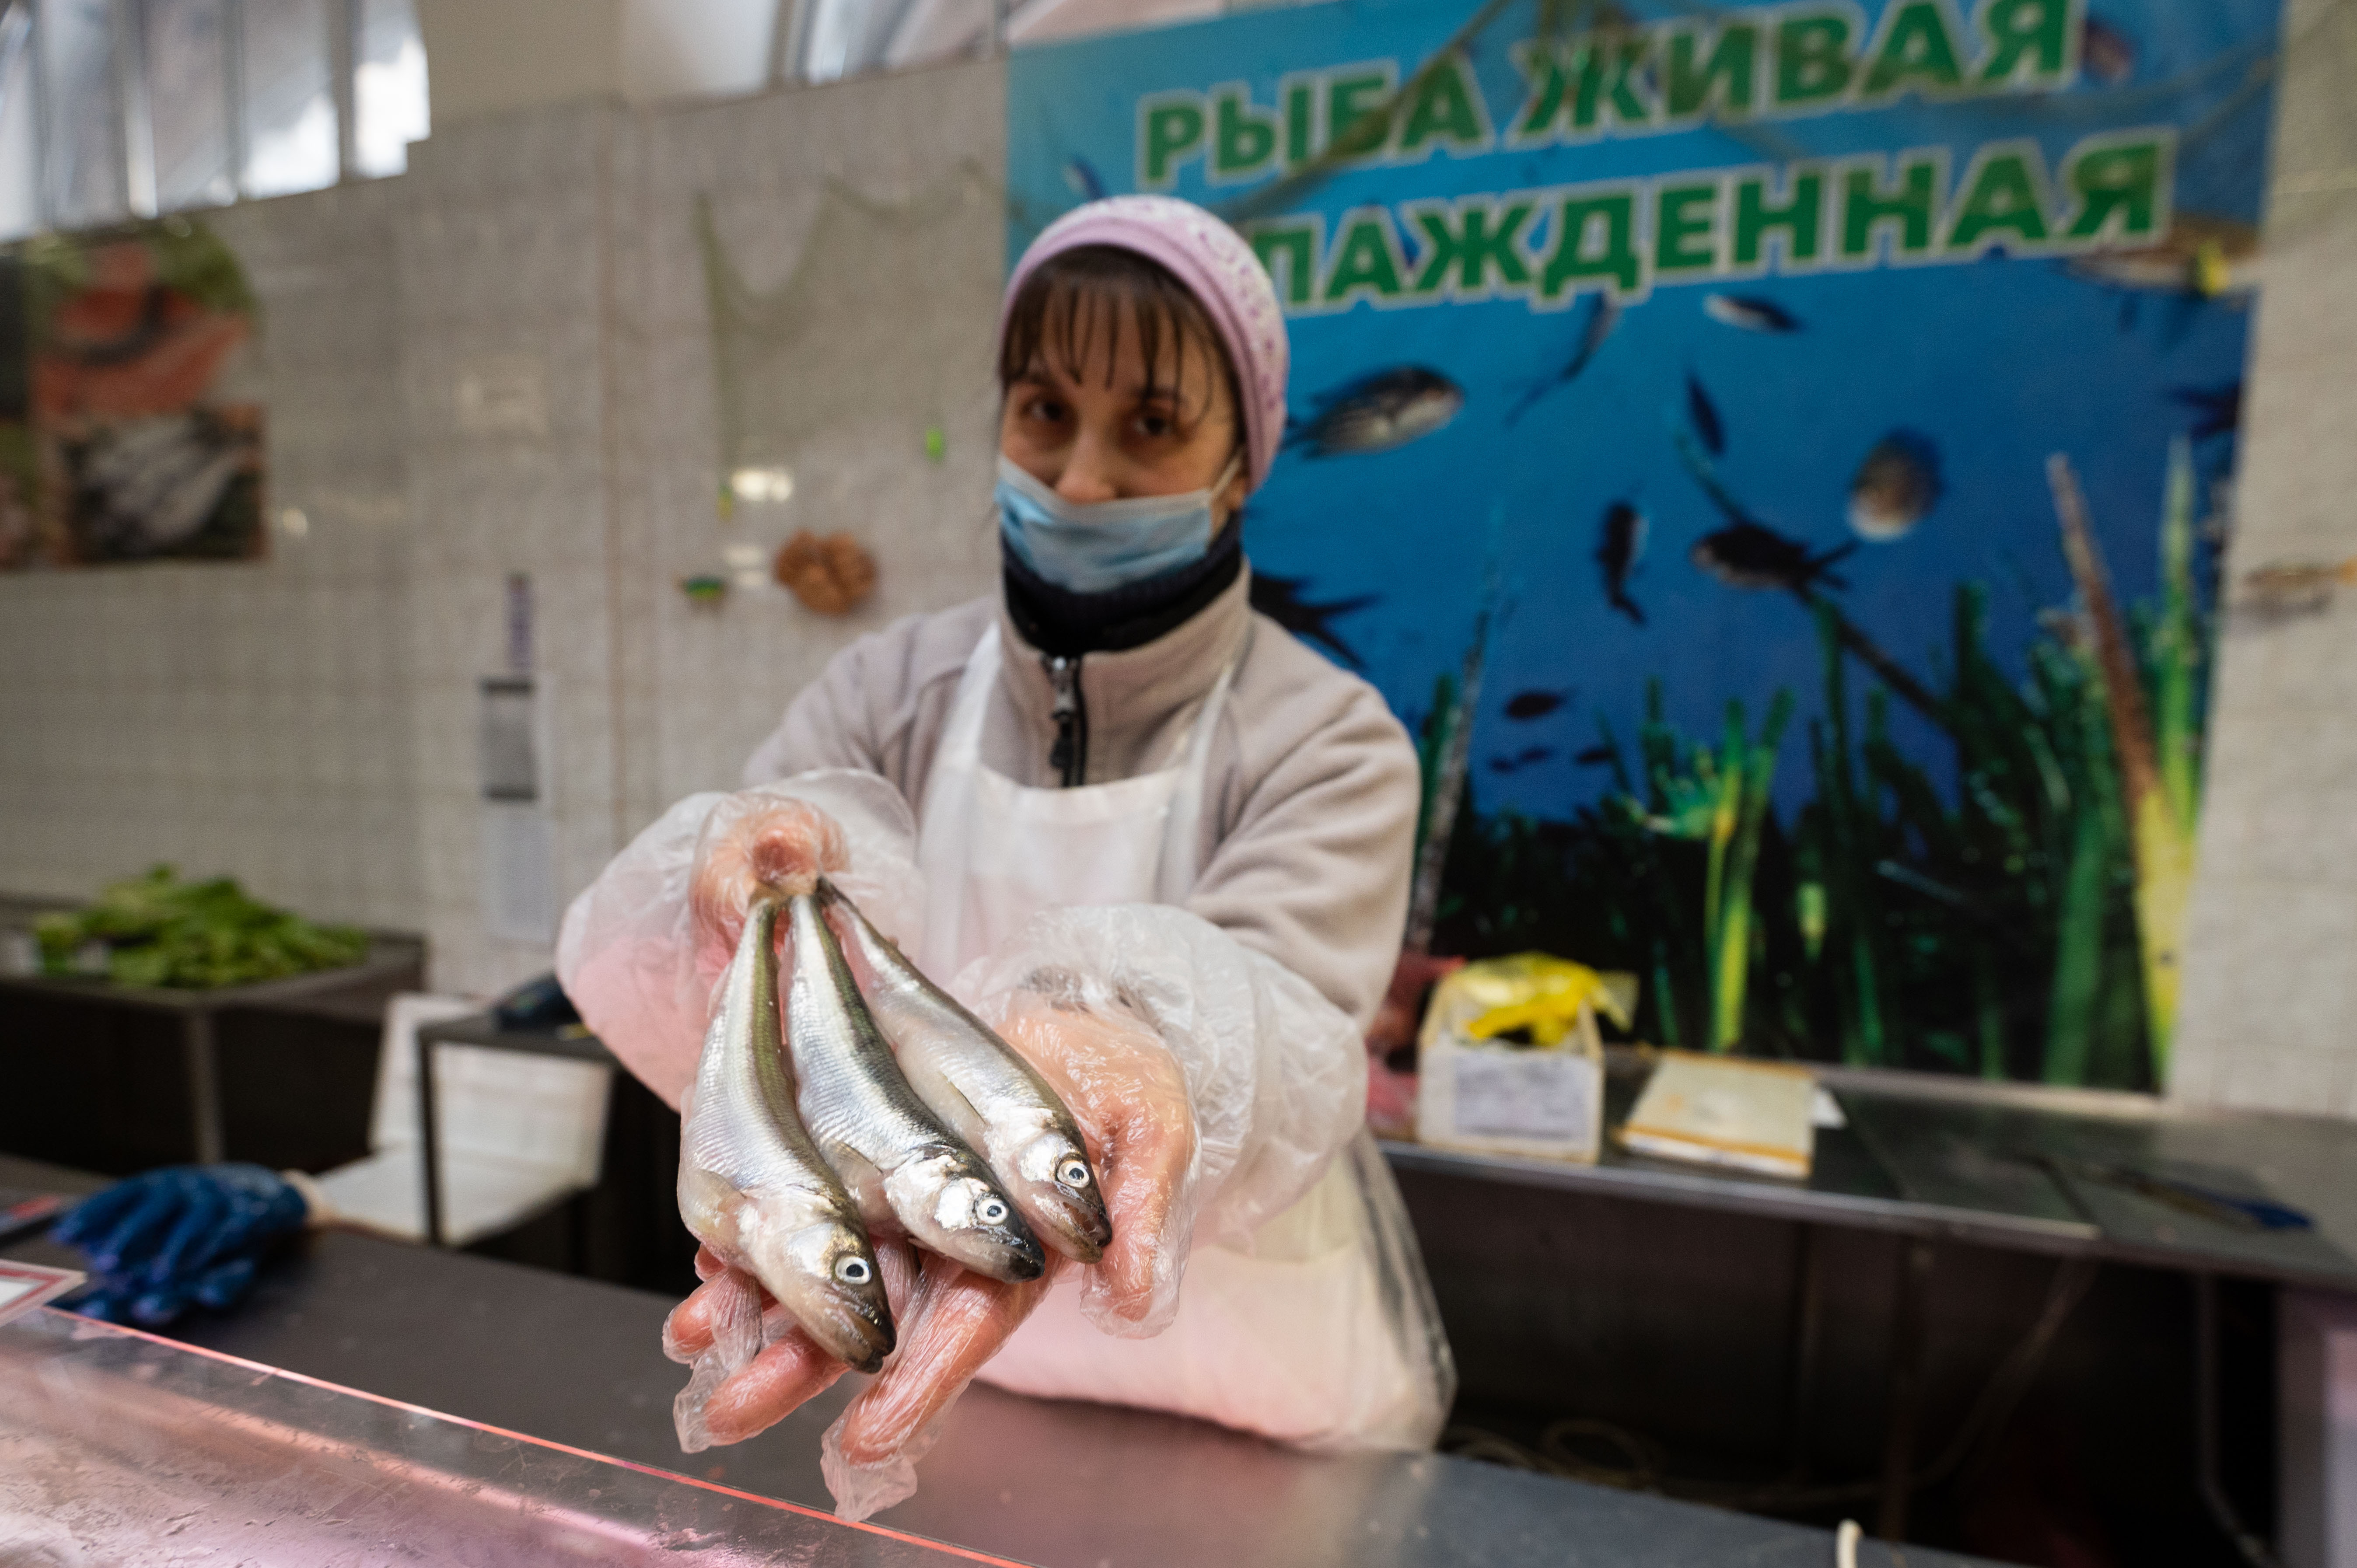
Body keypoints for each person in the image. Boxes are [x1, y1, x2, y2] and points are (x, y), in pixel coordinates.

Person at [581, 196, 1454, 1510]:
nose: (1082, 478)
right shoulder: (892, 687)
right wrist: (747, 873)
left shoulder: (1325, 738)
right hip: (959, 1389)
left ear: (1242, 463)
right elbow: (725, 947)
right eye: (1045, 411)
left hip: (1257, 1424)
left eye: (1149, 425)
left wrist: (1136, 1040)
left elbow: (1289, 1023)